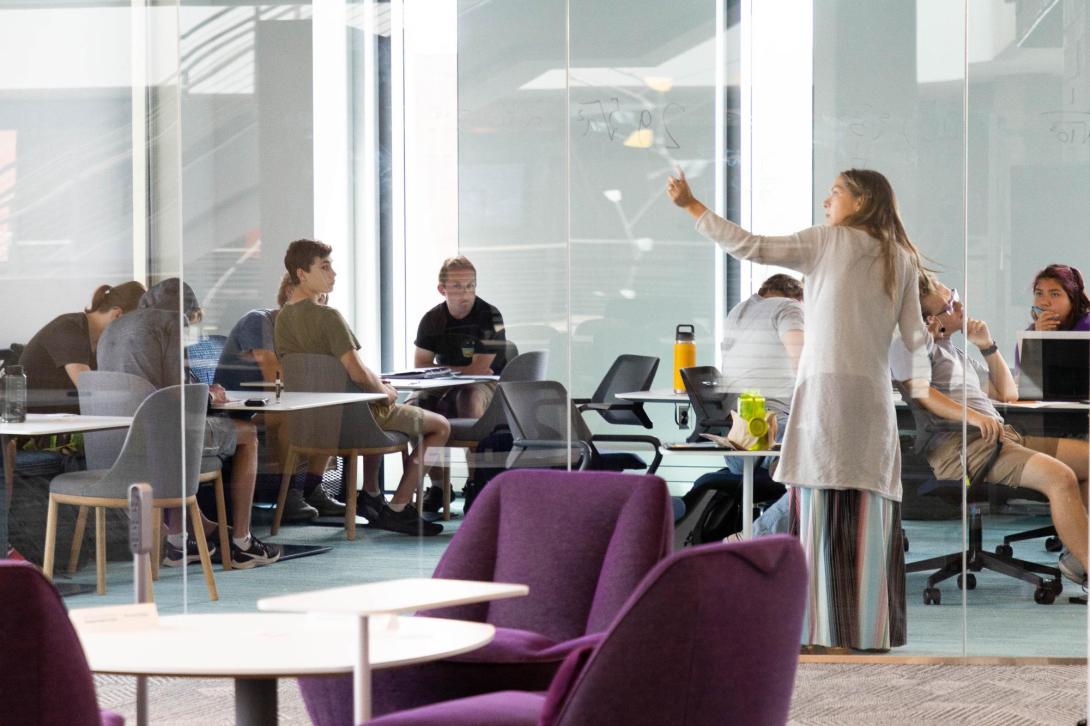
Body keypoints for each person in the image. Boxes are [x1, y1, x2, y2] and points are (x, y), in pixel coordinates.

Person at [667, 167, 930, 652]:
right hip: (872, 398)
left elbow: (750, 246)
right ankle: (868, 632)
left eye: (835, 193)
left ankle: (816, 631)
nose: (826, 200)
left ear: (860, 201)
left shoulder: (828, 242)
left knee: (817, 508)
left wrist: (692, 206)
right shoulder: (901, 258)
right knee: (867, 507)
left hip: (827, 397)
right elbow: (916, 339)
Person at [892, 273, 1089, 584]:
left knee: (1087, 460)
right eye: (950, 303)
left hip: (999, 438)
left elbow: (1007, 392)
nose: (959, 305)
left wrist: (986, 345)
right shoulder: (910, 346)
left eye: (953, 295)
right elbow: (922, 393)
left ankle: (1078, 556)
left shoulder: (956, 354)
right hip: (964, 447)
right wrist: (973, 416)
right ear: (932, 319)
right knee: (1060, 476)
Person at [97, 279, 281, 568]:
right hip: (158, 439)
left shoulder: (113, 328)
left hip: (115, 442)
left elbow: (154, 383)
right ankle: (242, 543)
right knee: (247, 433)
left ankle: (185, 538)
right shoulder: (170, 322)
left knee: (181, 440)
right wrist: (206, 393)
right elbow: (176, 393)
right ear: (190, 313)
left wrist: (198, 389)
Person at [275, 239, 451, 536]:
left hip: (314, 421)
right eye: (325, 267)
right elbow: (357, 372)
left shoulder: (282, 320)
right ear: (301, 274)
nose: (333, 273)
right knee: (440, 426)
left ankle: (371, 494)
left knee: (379, 404)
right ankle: (398, 507)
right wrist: (385, 391)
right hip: (350, 420)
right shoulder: (328, 317)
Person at [215, 274, 344, 523]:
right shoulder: (259, 321)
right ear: (289, 293)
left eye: (322, 301)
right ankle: (290, 495)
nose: (318, 308)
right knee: (289, 415)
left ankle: (311, 489)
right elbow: (273, 373)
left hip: (268, 405)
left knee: (330, 412)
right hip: (239, 412)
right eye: (314, 299)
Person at [692, 273, 804, 539]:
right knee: (823, 478)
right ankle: (751, 539)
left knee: (813, 470)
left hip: (735, 440)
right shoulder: (788, 308)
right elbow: (803, 362)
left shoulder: (737, 311)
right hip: (768, 431)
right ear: (799, 298)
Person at [411, 255, 506, 511]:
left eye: (470, 285)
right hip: (445, 384)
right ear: (442, 289)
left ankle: (475, 483)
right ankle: (440, 486)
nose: (466, 292)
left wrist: (445, 370)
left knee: (469, 399)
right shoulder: (432, 319)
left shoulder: (490, 316)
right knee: (415, 407)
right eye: (457, 286)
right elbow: (420, 364)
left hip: (486, 385)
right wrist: (451, 373)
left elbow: (480, 368)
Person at [20, 282, 146, 413]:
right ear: (118, 315)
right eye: (134, 325)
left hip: (65, 418)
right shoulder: (68, 328)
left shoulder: (101, 342)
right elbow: (89, 388)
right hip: (36, 420)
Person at [1027, 264, 1090, 332]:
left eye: (1055, 294)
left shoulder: (1087, 326)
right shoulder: (1033, 331)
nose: (1044, 302)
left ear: (1073, 299)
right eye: (1039, 293)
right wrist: (1037, 336)